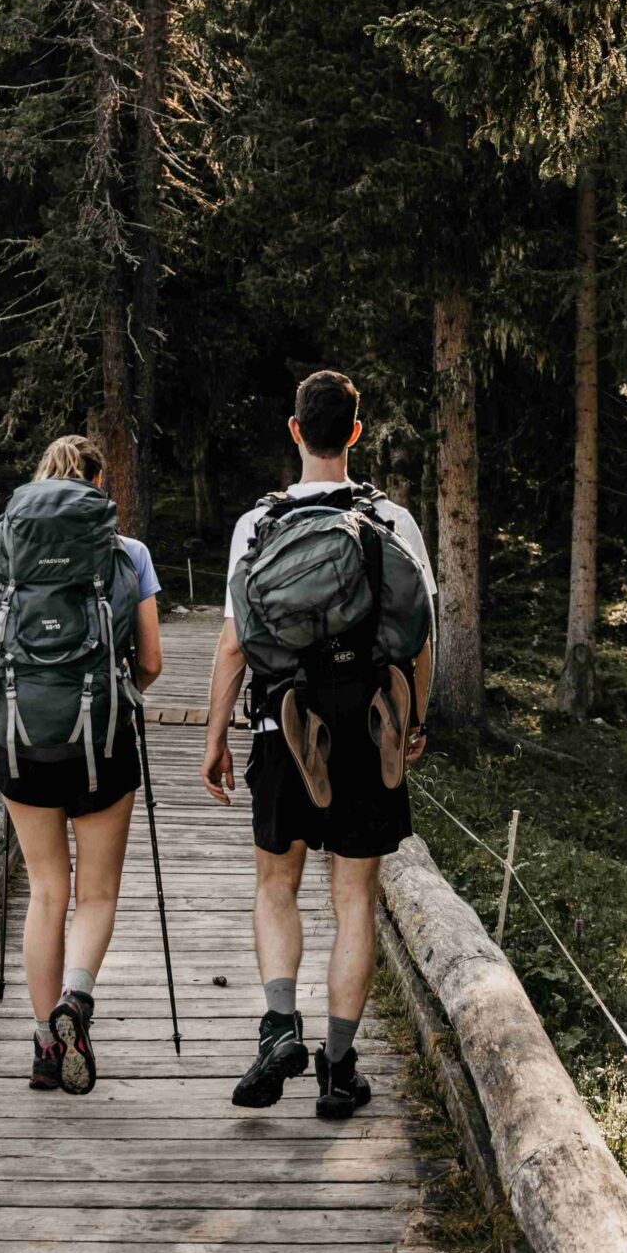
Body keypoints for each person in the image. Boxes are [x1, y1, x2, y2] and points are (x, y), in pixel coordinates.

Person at [201, 370, 434, 1119]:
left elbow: (233, 645)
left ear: (295, 430)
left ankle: (278, 1026)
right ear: (355, 433)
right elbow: (419, 638)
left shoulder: (256, 525)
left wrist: (215, 736)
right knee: (354, 899)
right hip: (366, 732)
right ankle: (337, 1069)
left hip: (282, 728)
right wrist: (414, 721)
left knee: (276, 886)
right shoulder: (391, 520)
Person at [0, 434, 163, 1094]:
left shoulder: (1, 556)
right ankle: (75, 1000)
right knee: (96, 893)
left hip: (23, 742)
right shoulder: (127, 553)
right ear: (98, 485)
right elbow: (152, 662)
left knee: (46, 892)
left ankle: (44, 1049)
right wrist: (114, 688)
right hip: (102, 740)